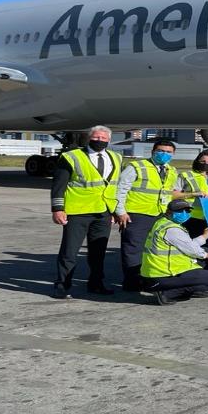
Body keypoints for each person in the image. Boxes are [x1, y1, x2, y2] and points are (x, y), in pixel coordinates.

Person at [50, 125, 122, 298]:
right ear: (89, 138)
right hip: (78, 212)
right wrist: (58, 209)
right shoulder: (71, 156)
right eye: (96, 138)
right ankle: (63, 285)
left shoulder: (117, 157)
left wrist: (116, 211)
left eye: (103, 138)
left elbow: (115, 186)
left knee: (98, 253)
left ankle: (96, 283)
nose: (99, 141)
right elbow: (58, 186)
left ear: (109, 140)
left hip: (104, 212)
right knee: (70, 251)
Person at [114, 139, 180, 291]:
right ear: (152, 152)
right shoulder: (136, 166)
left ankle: (148, 278)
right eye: (161, 151)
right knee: (133, 250)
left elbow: (169, 192)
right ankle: (132, 283)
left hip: (160, 215)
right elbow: (120, 189)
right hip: (137, 214)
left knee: (153, 248)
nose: (164, 154)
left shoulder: (172, 171)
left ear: (173, 154)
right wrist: (120, 212)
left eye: (168, 152)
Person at [140, 200, 208, 305]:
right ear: (169, 212)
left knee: (204, 254)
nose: (184, 214)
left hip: (155, 272)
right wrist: (206, 255)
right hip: (163, 275)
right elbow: (192, 250)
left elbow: (187, 245)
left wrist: (204, 236)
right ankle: (168, 293)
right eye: (179, 211)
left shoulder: (162, 223)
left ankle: (191, 289)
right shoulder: (172, 229)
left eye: (187, 210)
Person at [174, 149, 208, 239]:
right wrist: (193, 194)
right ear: (197, 161)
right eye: (203, 161)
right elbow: (173, 194)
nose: (205, 164)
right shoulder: (185, 175)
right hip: (189, 217)